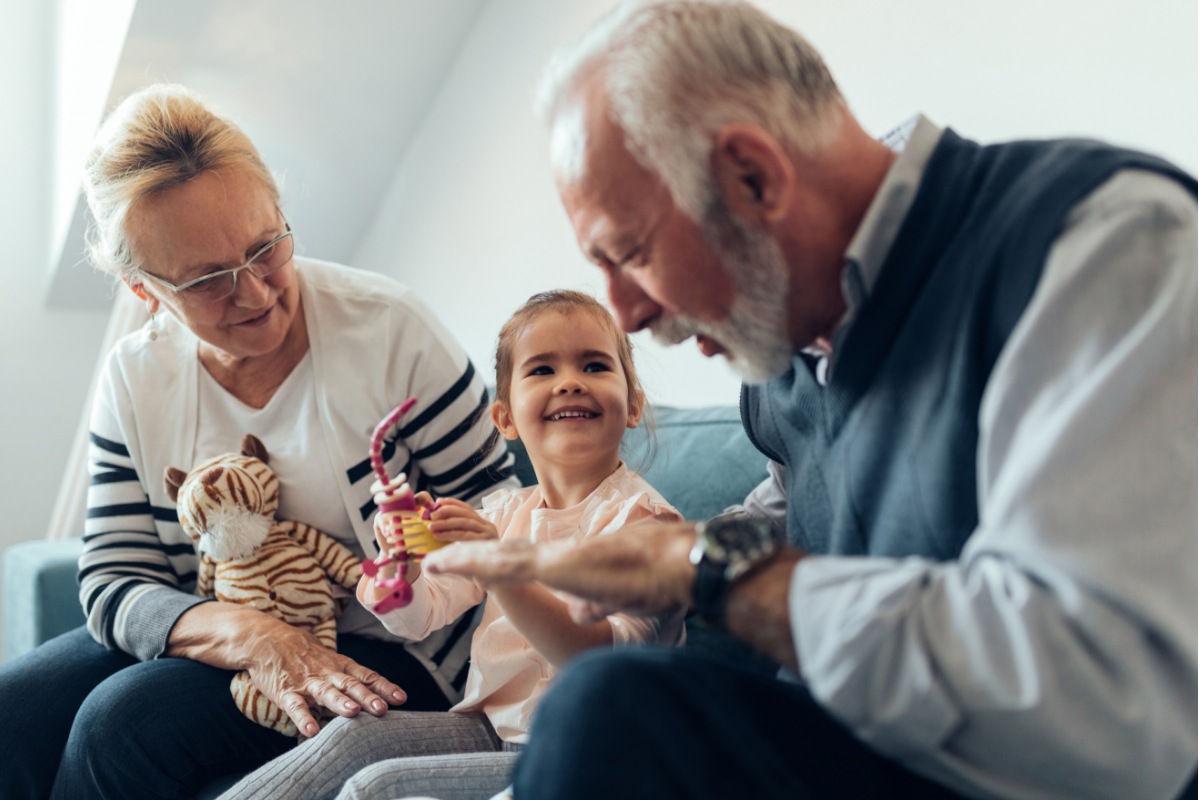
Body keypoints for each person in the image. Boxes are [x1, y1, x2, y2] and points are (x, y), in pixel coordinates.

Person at [421, 2, 1199, 799]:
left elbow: (1108, 712)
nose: (628, 314)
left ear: (752, 177)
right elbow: (800, 511)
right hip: (848, 748)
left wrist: (707, 565)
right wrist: (686, 552)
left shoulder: (1100, 244)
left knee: (603, 709)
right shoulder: (786, 340)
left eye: (633, 254)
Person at [0, 84, 518, 800]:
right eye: (209, 280)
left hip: (406, 651)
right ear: (144, 289)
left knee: (123, 724)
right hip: (220, 627)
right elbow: (113, 578)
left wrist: (419, 552)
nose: (255, 292)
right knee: (14, 708)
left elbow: (503, 514)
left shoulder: (390, 329)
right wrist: (253, 635)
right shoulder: (135, 377)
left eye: (266, 246)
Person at [220, 289, 687, 800]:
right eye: (542, 371)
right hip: (495, 731)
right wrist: (402, 562)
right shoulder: (506, 514)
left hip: (598, 757)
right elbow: (418, 617)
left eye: (595, 365)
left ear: (635, 403)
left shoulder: (648, 525)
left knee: (380, 789)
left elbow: (597, 658)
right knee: (353, 737)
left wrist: (500, 569)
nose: (570, 383)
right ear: (505, 419)